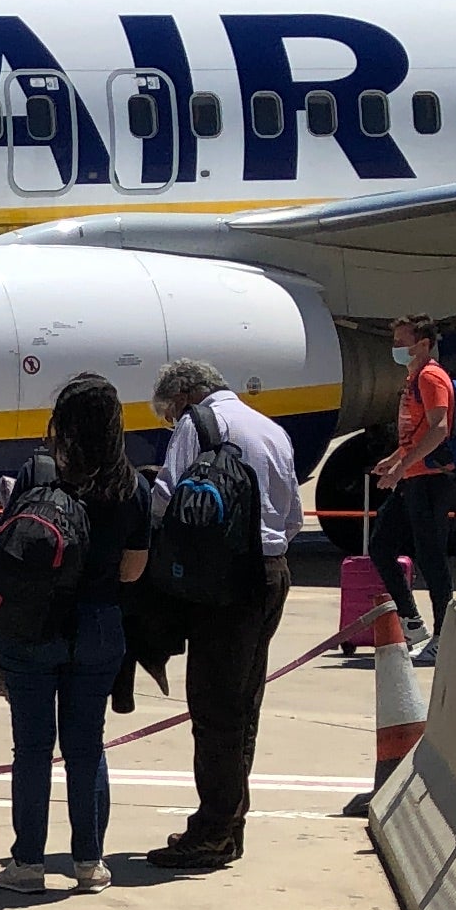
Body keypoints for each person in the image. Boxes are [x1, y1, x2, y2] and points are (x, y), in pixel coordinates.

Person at [0, 374, 153, 895]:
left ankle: (28, 863)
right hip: (99, 624)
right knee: (87, 746)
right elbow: (133, 571)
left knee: (32, 747)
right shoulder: (133, 487)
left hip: (34, 625)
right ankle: (89, 861)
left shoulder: (38, 471)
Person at [144, 357, 303, 873]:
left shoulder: (200, 426)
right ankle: (230, 822)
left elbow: (166, 499)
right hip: (272, 571)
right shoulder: (272, 429)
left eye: (169, 413)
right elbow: (295, 517)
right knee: (243, 702)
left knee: (212, 708)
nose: (172, 422)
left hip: (223, 580)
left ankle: (212, 830)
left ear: (186, 396)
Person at [369, 316, 456, 664]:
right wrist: (394, 459)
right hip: (413, 477)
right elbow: (416, 433)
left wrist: (401, 468)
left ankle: (442, 634)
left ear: (423, 344)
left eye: (401, 341)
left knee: (431, 554)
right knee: (381, 544)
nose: (395, 347)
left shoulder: (431, 377)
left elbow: (438, 429)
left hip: (431, 480)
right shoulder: (412, 379)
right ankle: (413, 623)